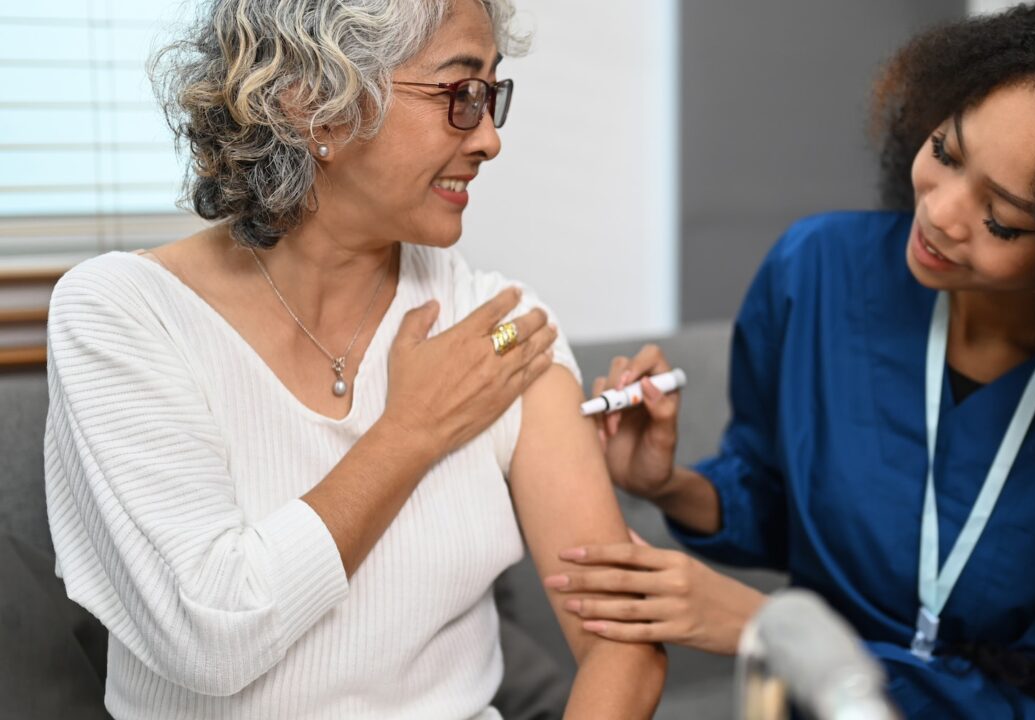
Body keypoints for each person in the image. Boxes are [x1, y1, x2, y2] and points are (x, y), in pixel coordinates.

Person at [550, 1, 1035, 717]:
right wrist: (669, 485)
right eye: (946, 151)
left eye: (1002, 219)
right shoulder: (815, 274)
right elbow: (773, 497)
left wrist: (766, 628)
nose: (941, 213)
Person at [43, 0, 665, 717]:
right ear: (315, 105)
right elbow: (207, 634)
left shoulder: (497, 331)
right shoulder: (121, 315)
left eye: (492, 95)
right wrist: (410, 432)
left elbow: (625, 639)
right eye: (459, 95)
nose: (490, 139)